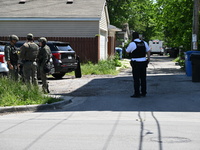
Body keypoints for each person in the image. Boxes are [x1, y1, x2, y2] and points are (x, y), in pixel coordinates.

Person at [126, 32, 150, 98]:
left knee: (136, 79)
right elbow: (148, 51)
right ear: (138, 36)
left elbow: (127, 51)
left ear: (132, 37)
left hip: (136, 62)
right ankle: (144, 92)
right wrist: (148, 58)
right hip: (143, 62)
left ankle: (137, 93)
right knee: (143, 78)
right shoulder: (144, 43)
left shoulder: (132, 44)